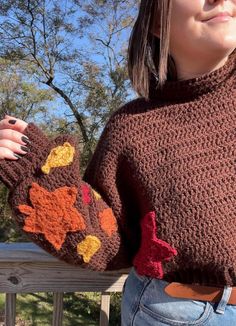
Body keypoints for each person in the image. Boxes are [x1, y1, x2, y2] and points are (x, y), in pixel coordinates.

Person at [0, 0, 235, 325]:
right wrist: (40, 178)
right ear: (155, 21)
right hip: (180, 314)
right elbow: (109, 240)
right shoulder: (132, 128)